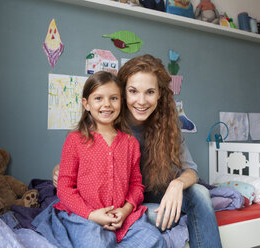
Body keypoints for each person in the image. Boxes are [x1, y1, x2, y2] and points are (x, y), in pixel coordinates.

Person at [52, 55, 222, 248]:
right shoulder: (109, 118)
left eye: (150, 92)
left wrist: (176, 184)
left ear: (159, 94)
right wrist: (61, 168)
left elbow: (191, 170)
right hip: (123, 202)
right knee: (122, 223)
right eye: (133, 91)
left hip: (151, 195)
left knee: (199, 192)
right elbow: (82, 157)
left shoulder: (167, 125)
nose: (141, 101)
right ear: (123, 92)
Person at [33, 71, 166, 248]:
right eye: (98, 98)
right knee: (95, 243)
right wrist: (91, 215)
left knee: (154, 239)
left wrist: (125, 211)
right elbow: (64, 188)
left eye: (113, 98)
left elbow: (136, 185)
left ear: (121, 102)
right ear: (86, 104)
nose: (107, 104)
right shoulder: (75, 140)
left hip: (121, 217)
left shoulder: (130, 143)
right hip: (84, 216)